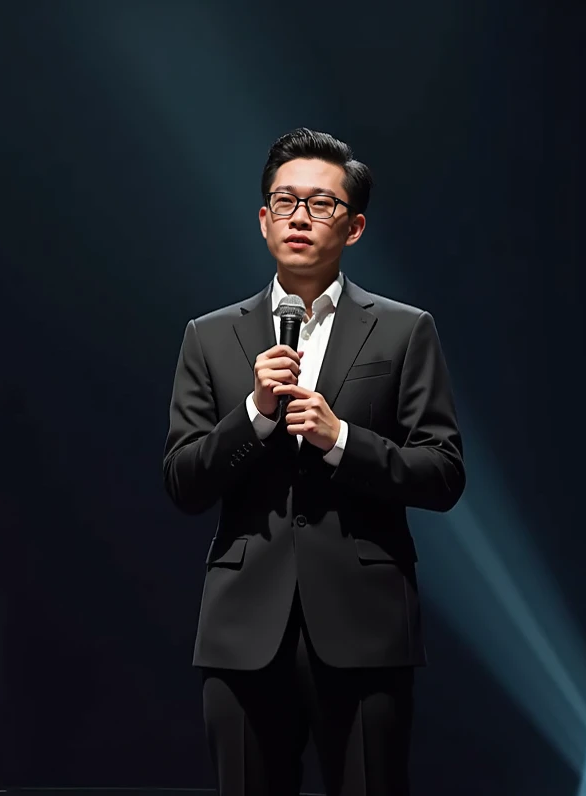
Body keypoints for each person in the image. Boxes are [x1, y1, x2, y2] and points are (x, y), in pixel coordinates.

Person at [163, 127, 465, 796]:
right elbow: (183, 481)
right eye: (286, 200)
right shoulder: (210, 336)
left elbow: (443, 472)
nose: (301, 216)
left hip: (365, 628)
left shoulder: (403, 329)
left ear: (353, 227)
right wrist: (253, 416)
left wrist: (341, 440)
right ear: (264, 218)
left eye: (322, 204)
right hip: (243, 631)